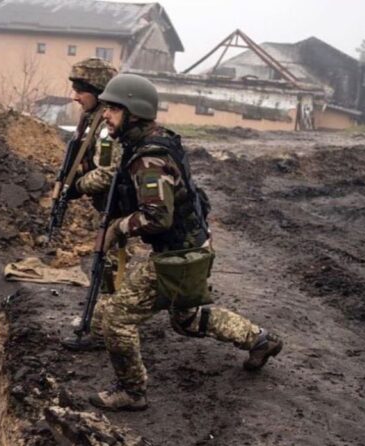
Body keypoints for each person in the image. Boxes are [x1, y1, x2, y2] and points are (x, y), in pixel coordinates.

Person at [88, 73, 284, 411]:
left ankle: (132, 392)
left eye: (113, 109)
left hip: (179, 252)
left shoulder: (148, 159)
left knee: (117, 319)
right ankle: (260, 340)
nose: (105, 115)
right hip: (193, 244)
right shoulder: (154, 140)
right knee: (187, 318)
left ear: (133, 111)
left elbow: (156, 217)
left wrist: (117, 228)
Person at [59, 58, 121, 351]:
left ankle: (103, 329)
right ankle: (100, 325)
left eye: (81, 89)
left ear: (98, 90)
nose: (75, 96)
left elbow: (108, 174)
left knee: (112, 270)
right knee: (107, 269)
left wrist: (76, 186)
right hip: (113, 211)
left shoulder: (107, 128)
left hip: (122, 212)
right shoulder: (92, 121)